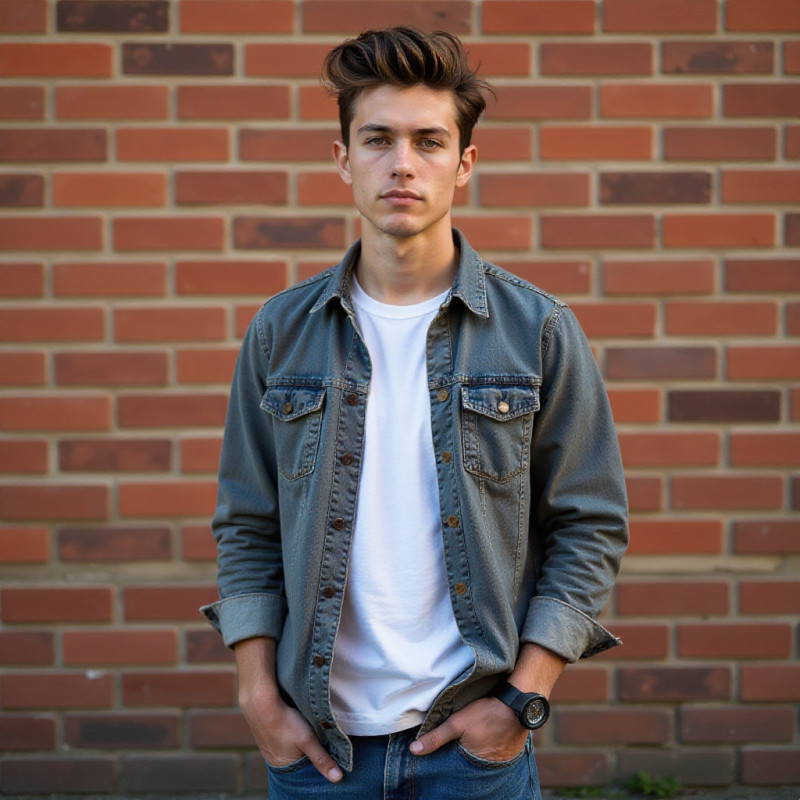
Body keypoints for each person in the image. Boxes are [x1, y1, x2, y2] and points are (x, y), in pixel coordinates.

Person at [202, 26, 628, 799]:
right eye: (378, 139)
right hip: (318, 748)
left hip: (475, 745)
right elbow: (248, 523)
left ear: (464, 163)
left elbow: (588, 523)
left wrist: (522, 699)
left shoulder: (538, 331)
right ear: (343, 160)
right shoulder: (281, 332)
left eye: (429, 141)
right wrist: (257, 696)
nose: (402, 163)